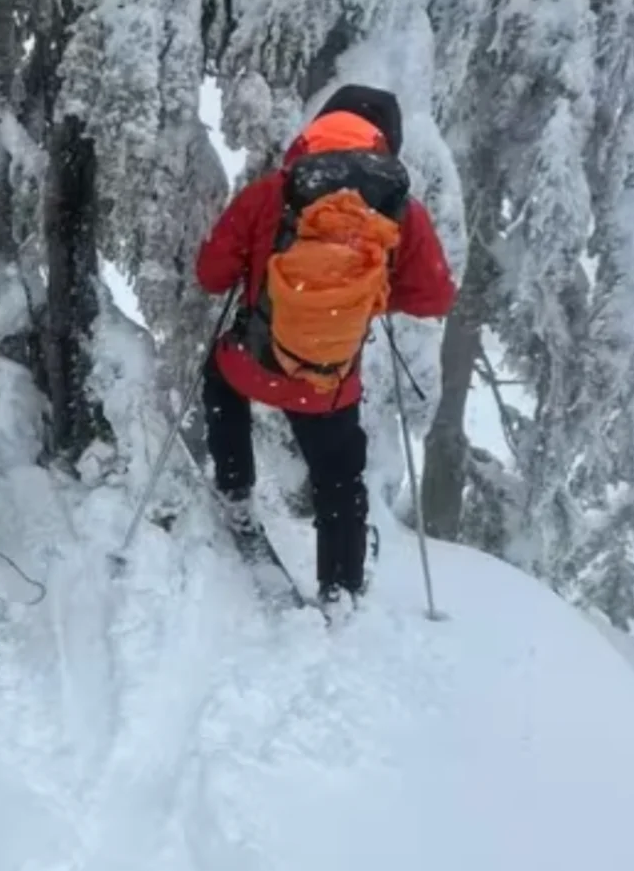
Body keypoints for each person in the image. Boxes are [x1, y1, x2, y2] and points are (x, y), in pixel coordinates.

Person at [194, 85, 457, 611]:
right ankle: (340, 586)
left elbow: (210, 275)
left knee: (220, 380)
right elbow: (435, 298)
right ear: (387, 141)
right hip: (328, 382)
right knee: (339, 479)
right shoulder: (401, 212)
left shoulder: (272, 192)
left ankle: (236, 490)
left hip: (255, 359)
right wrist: (367, 294)